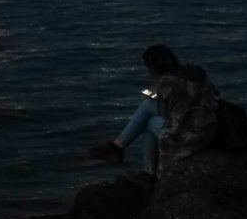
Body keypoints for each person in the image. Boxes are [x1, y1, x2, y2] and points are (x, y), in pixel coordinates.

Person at [89, 45, 220, 187]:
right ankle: (119, 148)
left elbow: (157, 102)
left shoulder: (167, 82)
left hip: (188, 138)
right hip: (209, 129)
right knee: (150, 116)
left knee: (148, 115)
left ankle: (146, 170)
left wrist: (147, 90)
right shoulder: (198, 72)